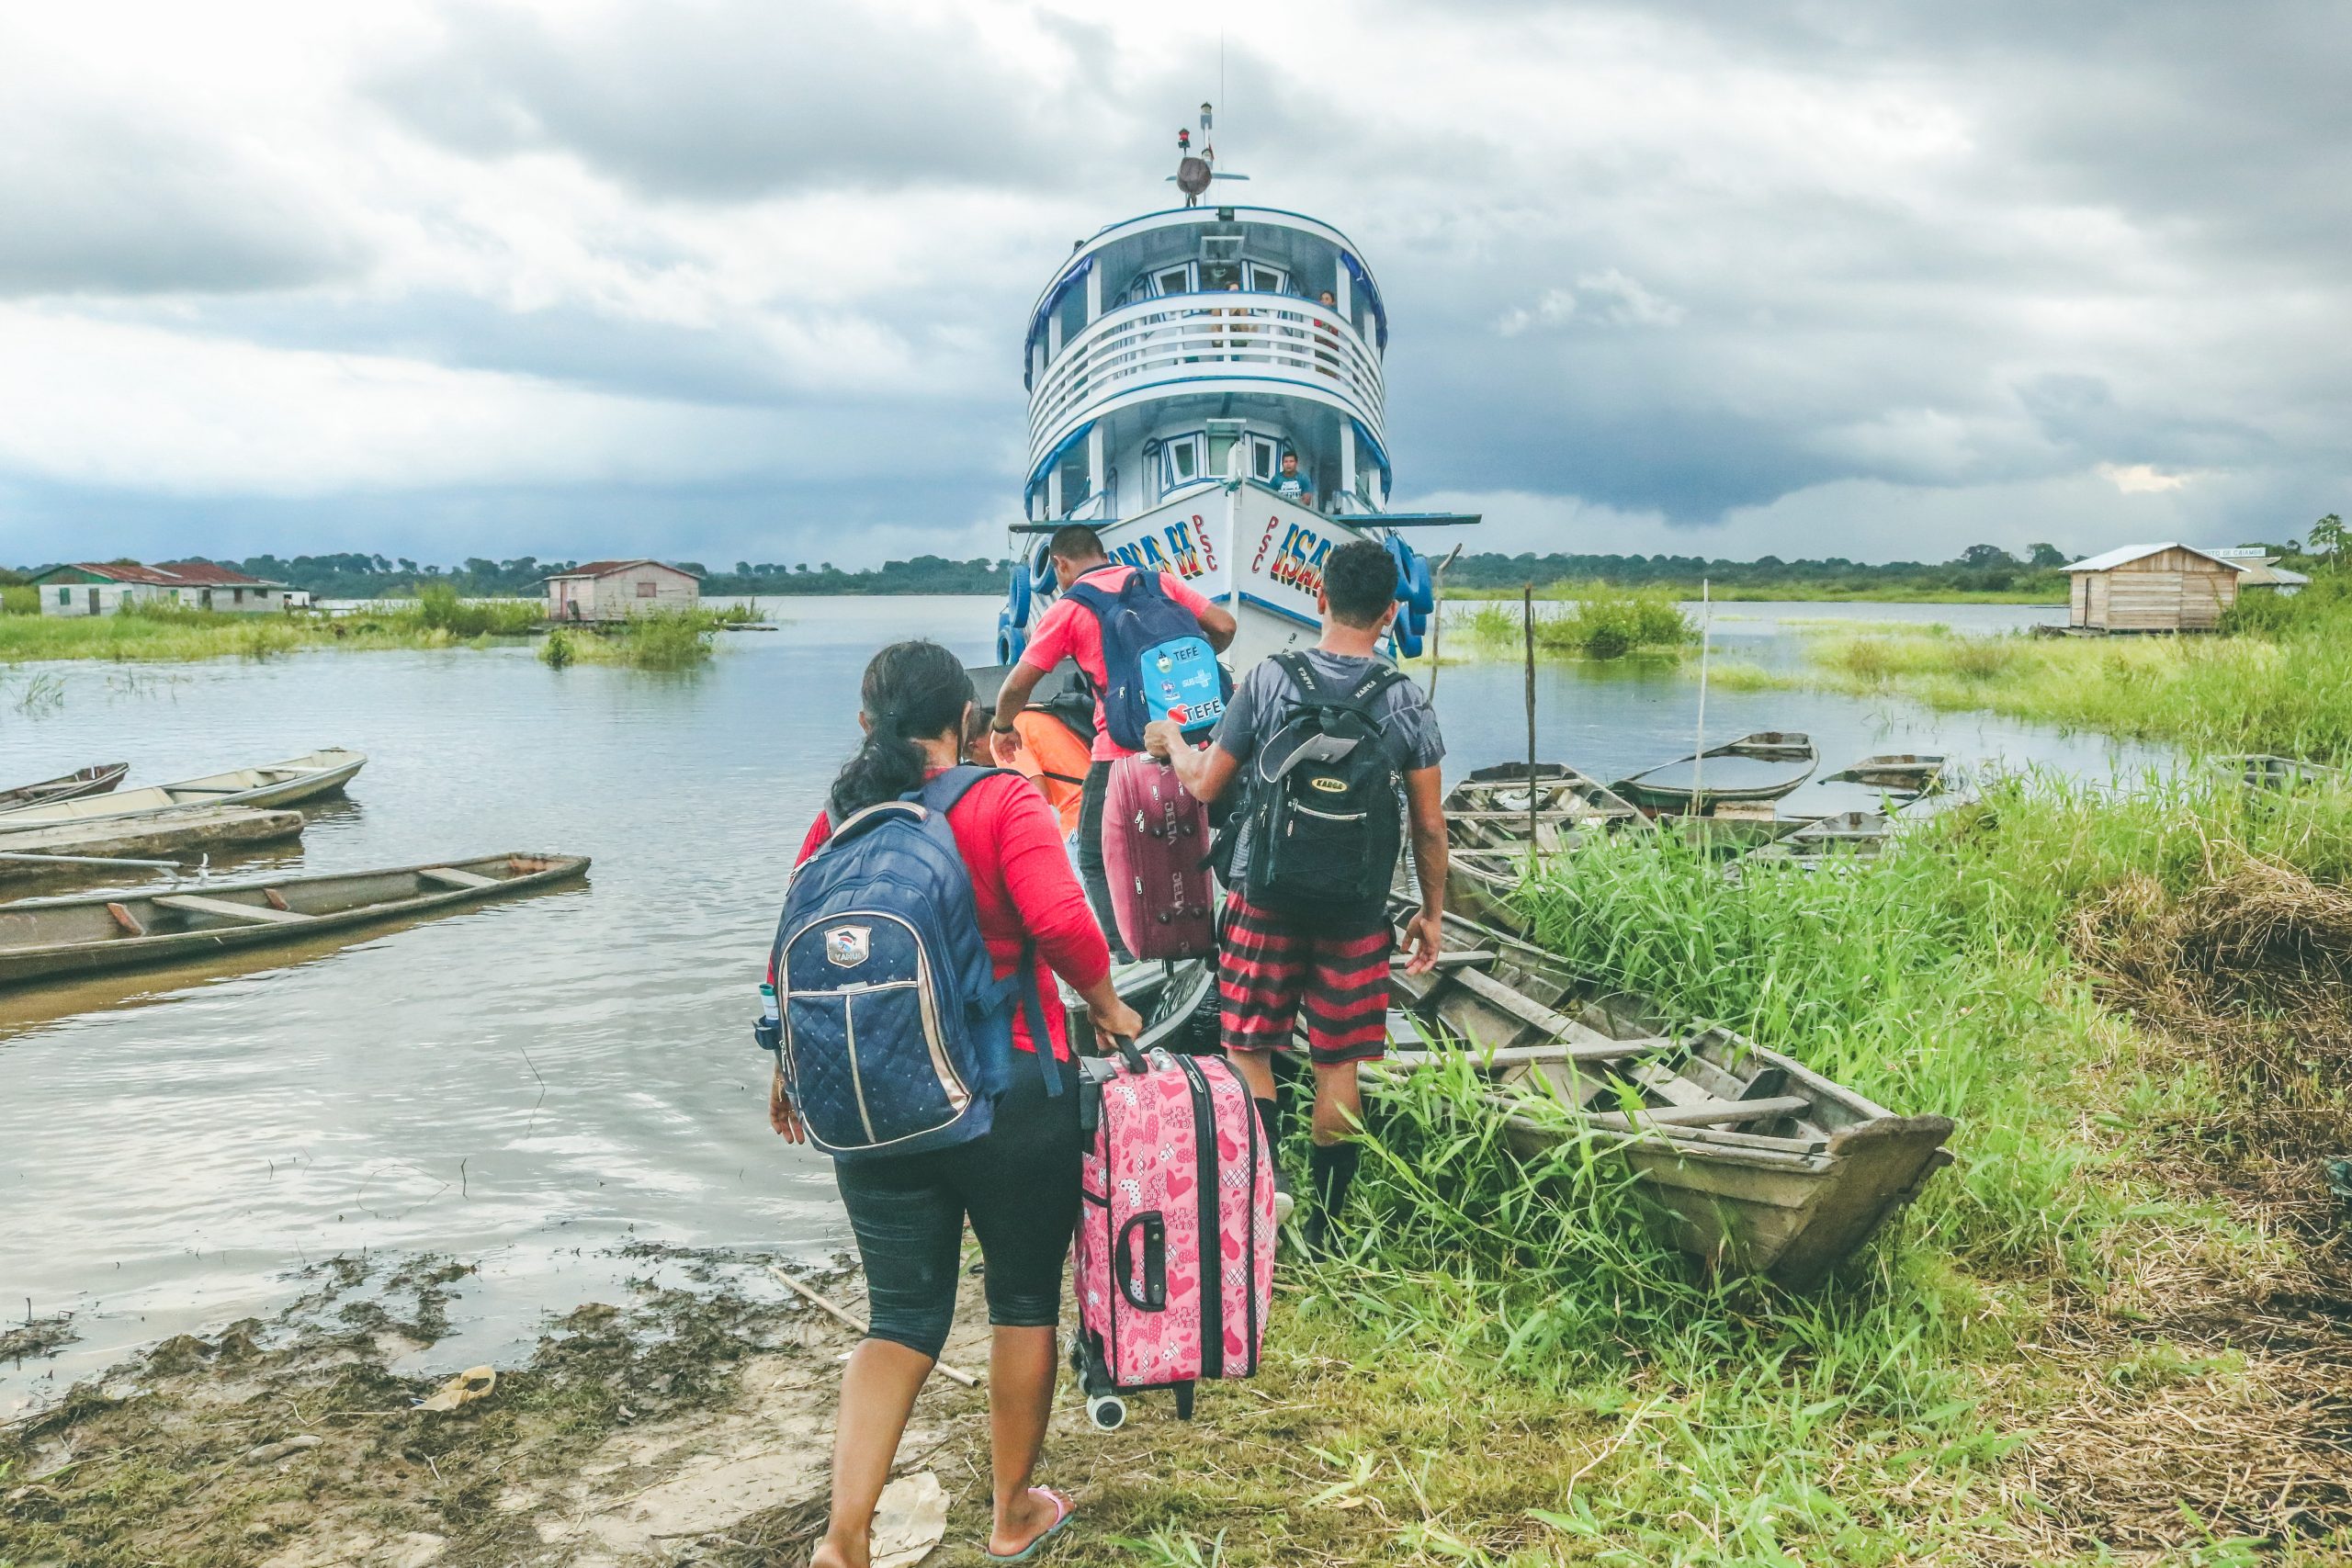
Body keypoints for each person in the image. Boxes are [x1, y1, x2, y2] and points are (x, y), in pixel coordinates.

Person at [774, 639, 1144, 1568]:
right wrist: (1105, 1006)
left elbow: (793, 948)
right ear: (968, 723)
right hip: (1010, 1093)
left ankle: (844, 1538)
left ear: (868, 726)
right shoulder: (1001, 798)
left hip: (875, 1105)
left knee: (898, 1319)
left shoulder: (839, 821)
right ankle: (1012, 1512)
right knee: (1022, 1300)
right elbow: (1061, 921)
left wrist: (785, 1065)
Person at [1144, 539, 1446, 1253]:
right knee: (1338, 1063)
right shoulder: (1407, 700)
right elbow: (1430, 827)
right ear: (1390, 613)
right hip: (1356, 911)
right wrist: (1430, 914)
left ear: (1320, 598)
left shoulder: (1271, 680)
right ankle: (1330, 1229)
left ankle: (1263, 1210)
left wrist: (1173, 745)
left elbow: (1207, 785)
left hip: (1263, 896)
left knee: (1251, 1047)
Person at [990, 525, 1237, 960]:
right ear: (1101, 553)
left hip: (1122, 752)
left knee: (1094, 857)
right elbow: (1224, 625)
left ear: (1061, 565)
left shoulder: (1070, 607)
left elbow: (1016, 686)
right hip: (1198, 739)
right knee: (1222, 828)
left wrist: (1003, 726)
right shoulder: (1156, 581)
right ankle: (1235, 928)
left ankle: (1124, 955)